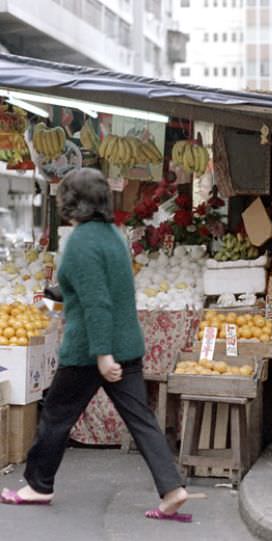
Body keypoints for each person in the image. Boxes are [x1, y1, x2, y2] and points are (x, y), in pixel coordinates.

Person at [0, 168, 191, 523]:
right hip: (127, 341)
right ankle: (172, 489)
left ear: (70, 202)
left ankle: (38, 486)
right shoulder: (114, 236)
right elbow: (103, 286)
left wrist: (102, 355)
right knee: (141, 419)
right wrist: (59, 293)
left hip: (90, 348)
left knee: (56, 414)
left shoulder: (81, 242)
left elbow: (97, 301)